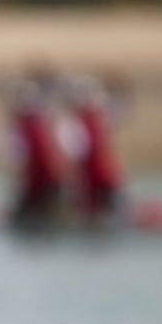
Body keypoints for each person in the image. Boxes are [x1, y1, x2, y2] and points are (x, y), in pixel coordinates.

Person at [0, 76, 64, 230]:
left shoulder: (21, 130)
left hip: (40, 186)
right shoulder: (44, 123)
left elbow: (20, 165)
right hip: (49, 185)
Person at [59, 75, 126, 225]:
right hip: (110, 181)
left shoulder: (74, 124)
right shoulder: (99, 118)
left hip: (96, 185)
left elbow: (76, 163)